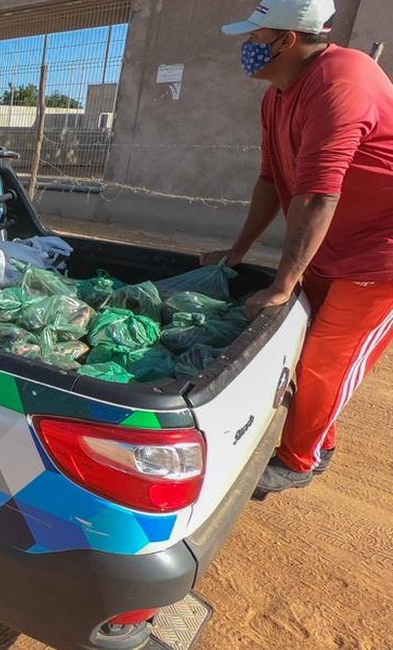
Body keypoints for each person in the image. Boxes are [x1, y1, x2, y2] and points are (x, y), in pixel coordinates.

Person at [210, 0, 393, 494]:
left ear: (287, 40)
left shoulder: (342, 80)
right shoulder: (277, 94)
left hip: (381, 258)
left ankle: (297, 461)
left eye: (254, 37)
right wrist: (237, 252)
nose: (246, 46)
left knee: (325, 362)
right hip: (328, 247)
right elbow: (272, 180)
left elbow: (316, 193)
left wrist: (283, 282)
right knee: (301, 351)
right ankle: (320, 440)